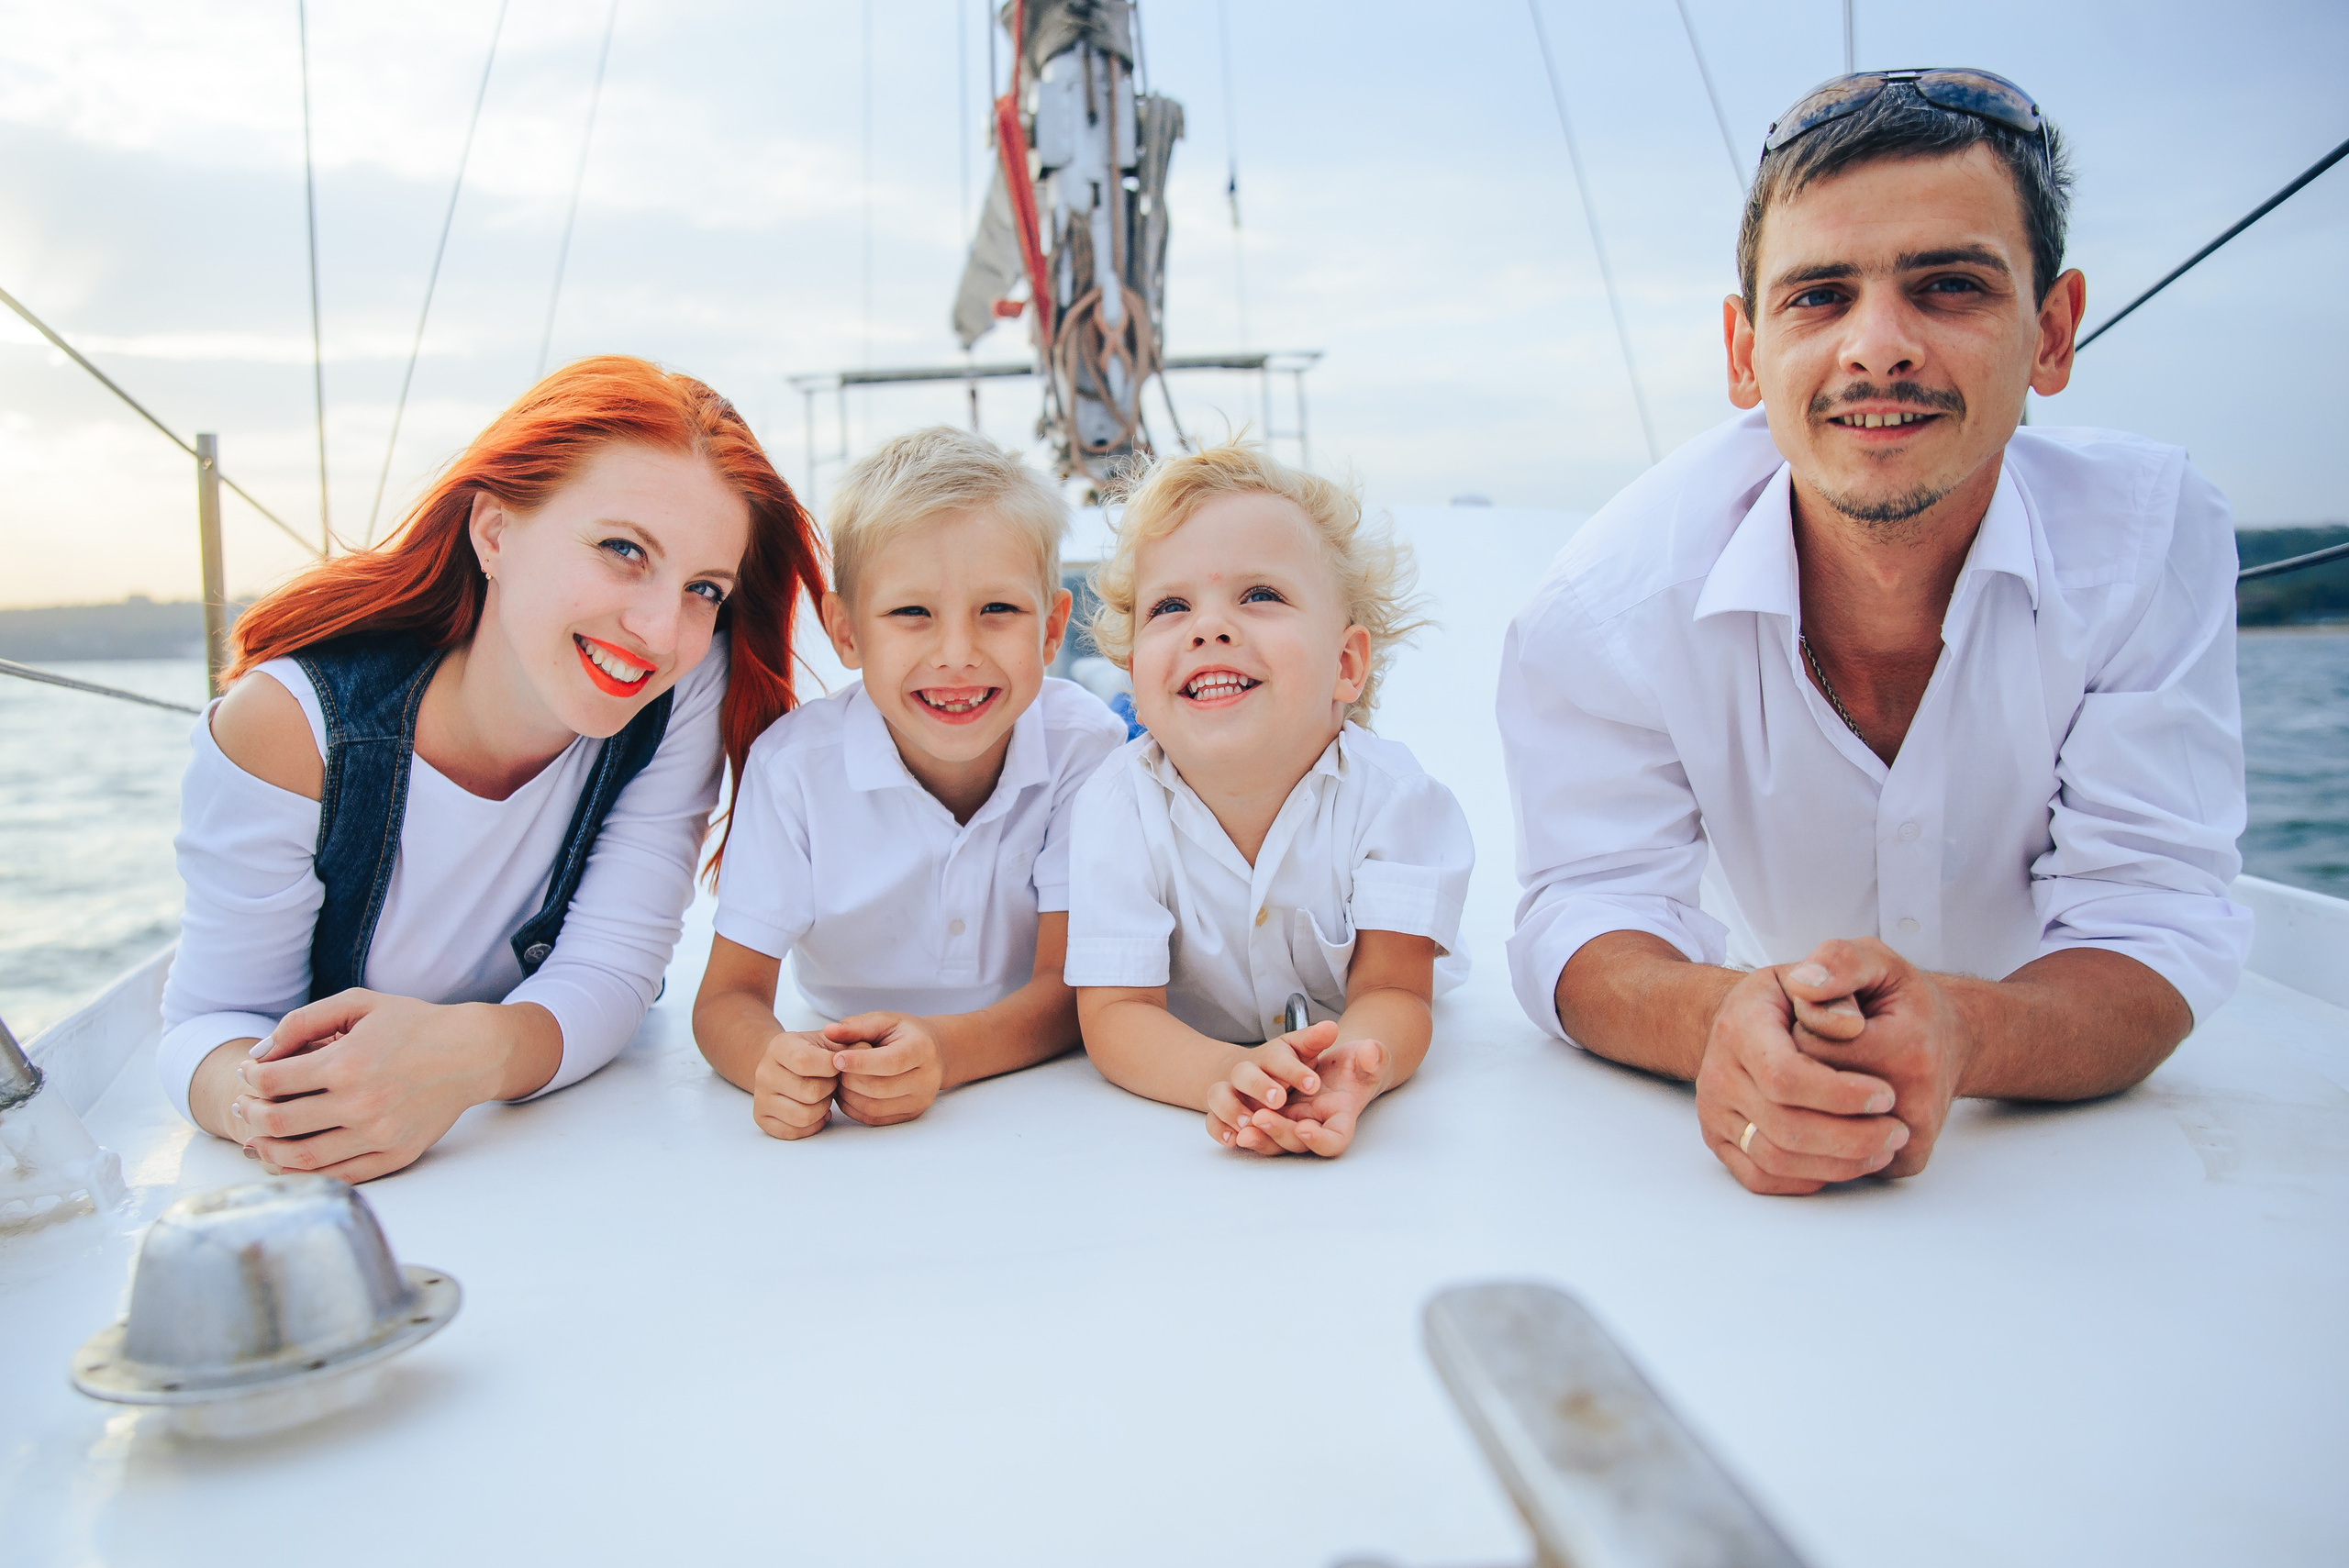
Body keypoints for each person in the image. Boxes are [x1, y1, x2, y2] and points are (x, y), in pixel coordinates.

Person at [1498, 70, 2251, 1195]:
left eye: (1948, 286)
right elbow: (1583, 909)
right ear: (1744, 351)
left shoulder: (2148, 540)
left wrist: (1964, 1029)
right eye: (1817, 296)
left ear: (2051, 331)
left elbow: (2153, 914)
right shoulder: (1607, 602)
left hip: (2065, 1167)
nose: (1877, 347)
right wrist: (1725, 1015)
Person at [162, 356, 824, 1182]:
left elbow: (612, 968)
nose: (659, 629)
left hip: (546, 1164)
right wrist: (277, 1107)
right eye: (623, 548)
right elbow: (211, 1021)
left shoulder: (686, 685)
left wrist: (468, 1058)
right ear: (494, 530)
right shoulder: (288, 724)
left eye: (704, 587)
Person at [693, 428, 1126, 1137]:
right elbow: (727, 998)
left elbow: (1067, 988)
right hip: (838, 1046)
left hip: (1036, 1098)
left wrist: (944, 1053)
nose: (957, 654)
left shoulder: (1087, 747)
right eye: (911, 613)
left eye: (999, 610)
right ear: (847, 631)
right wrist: (772, 1059)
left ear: (1051, 631)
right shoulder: (795, 768)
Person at [1067, 443, 1474, 1157]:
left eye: (1261, 595)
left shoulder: (1394, 799)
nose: (1210, 627)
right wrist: (1222, 1072)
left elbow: (1396, 991)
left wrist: (1346, 1072)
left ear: (1346, 664)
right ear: (1134, 673)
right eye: (1171, 605)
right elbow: (1116, 1013)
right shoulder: (1115, 806)